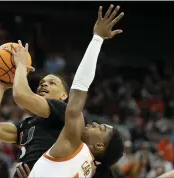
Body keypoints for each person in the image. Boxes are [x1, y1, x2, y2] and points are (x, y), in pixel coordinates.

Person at [28, 5, 124, 178]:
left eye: (100, 128)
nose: (94, 123)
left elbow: (79, 88)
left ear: (99, 146)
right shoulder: (90, 170)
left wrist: (97, 39)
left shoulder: (74, 145)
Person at [0, 34, 69, 178]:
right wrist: (0, 88)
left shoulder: (64, 112)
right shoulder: (27, 124)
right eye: (41, 83)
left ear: (64, 96)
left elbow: (20, 95)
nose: (44, 84)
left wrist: (21, 64)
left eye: (52, 83)